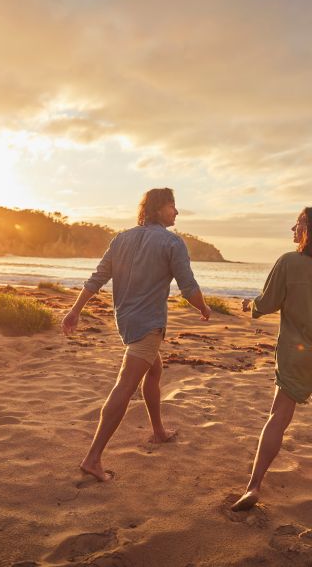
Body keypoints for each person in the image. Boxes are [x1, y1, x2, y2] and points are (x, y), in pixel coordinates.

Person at [62, 188, 211, 481]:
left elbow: (97, 279)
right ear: (157, 209)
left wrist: (75, 309)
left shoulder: (121, 239)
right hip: (148, 326)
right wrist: (205, 309)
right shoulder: (172, 242)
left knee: (154, 372)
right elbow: (188, 287)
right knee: (125, 386)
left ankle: (158, 431)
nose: (176, 213)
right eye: (172, 206)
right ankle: (93, 459)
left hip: (126, 324)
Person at [232, 207, 312, 511]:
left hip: (296, 354)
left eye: (299, 223)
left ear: (308, 229)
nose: (293, 227)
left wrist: (247, 305)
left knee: (278, 418)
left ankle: (254, 486)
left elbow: (267, 302)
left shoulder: (289, 262)